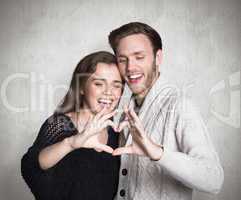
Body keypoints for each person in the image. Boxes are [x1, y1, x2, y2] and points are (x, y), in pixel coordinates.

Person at [108, 22, 224, 200]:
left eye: (139, 57)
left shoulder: (179, 106)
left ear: (158, 58)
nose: (130, 67)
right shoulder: (126, 112)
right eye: (123, 59)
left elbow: (214, 179)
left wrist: (158, 153)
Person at [21, 51, 124, 200]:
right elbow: (31, 166)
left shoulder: (116, 132)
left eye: (116, 85)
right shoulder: (60, 124)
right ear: (81, 87)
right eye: (99, 84)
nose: (109, 92)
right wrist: (70, 144)